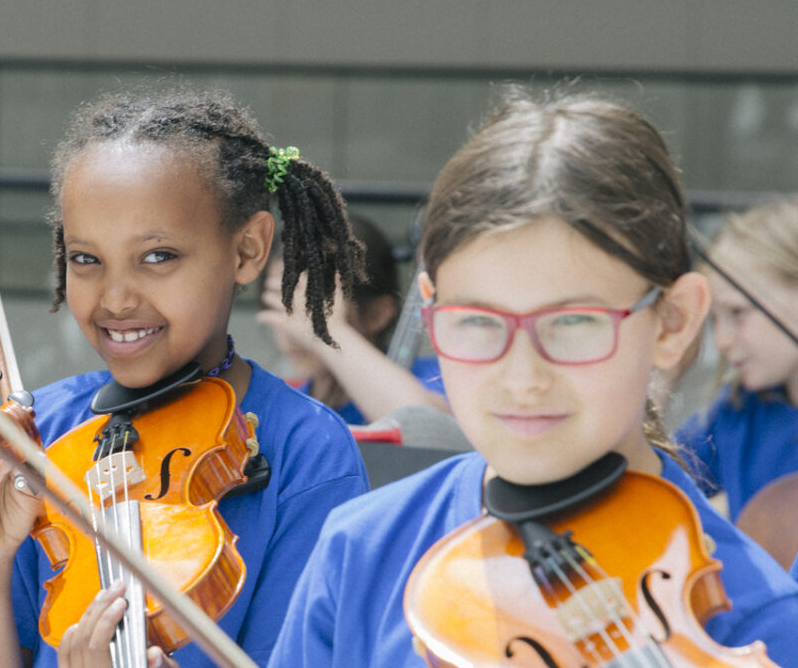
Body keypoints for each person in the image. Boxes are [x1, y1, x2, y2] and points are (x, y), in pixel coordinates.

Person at [266, 91, 798, 667]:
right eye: (476, 321)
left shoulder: (757, 626)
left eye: (573, 323)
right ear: (430, 310)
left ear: (673, 322)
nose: (522, 378)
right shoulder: (361, 547)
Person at [0, 88, 370, 667]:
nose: (114, 298)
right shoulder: (43, 434)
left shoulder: (307, 453)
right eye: (86, 259)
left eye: (158, 256)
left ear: (248, 249)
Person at [256, 214, 447, 426]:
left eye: (311, 307)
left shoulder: (435, 379)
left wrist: (329, 333)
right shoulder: (285, 405)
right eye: (281, 306)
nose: (293, 328)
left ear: (378, 314)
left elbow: (426, 427)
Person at [677, 197, 798, 524]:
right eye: (715, 320)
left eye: (738, 312)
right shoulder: (736, 414)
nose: (722, 341)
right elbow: (662, 483)